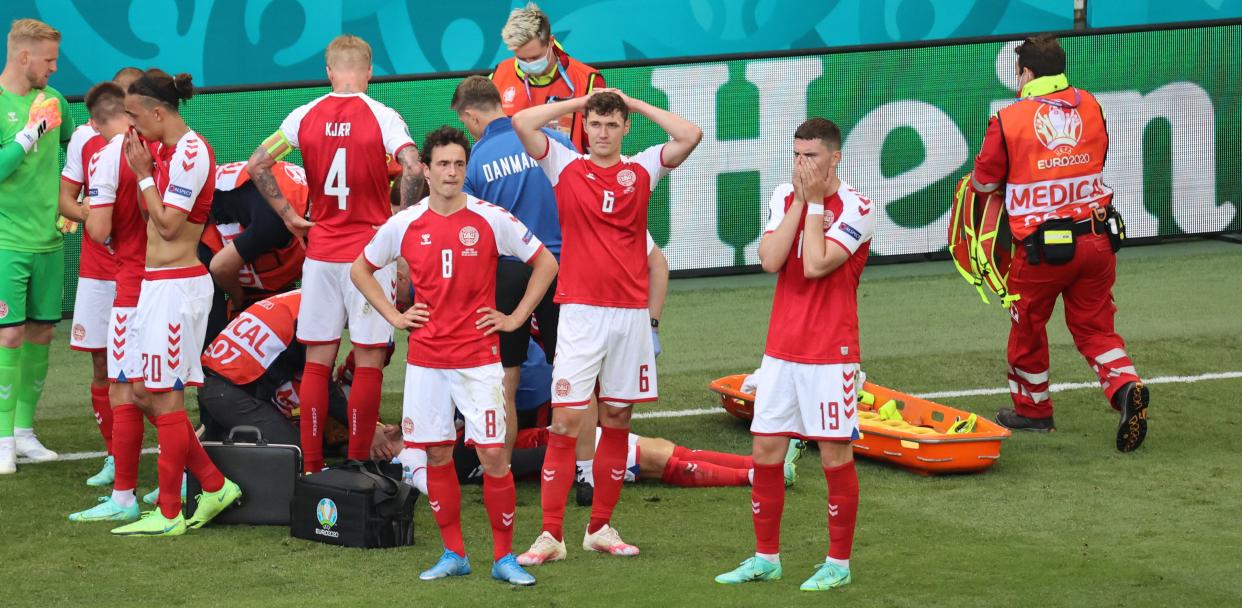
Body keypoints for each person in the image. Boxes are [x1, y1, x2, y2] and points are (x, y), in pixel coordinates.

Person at [352, 126, 557, 585]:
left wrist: (516, 317)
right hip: (426, 361)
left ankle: (503, 559)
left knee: (492, 459)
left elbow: (546, 262)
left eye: (458, 164)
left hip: (479, 360)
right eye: (442, 164)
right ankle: (454, 553)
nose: (451, 172)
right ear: (425, 170)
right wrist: (394, 314)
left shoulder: (490, 218)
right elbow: (361, 268)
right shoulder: (405, 223)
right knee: (438, 455)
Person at [511, 88, 701, 564]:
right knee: (564, 422)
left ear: (624, 128)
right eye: (595, 124)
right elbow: (523, 122)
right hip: (580, 314)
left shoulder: (643, 169)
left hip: (630, 316)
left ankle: (600, 527)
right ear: (585, 127)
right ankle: (550, 535)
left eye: (612, 124)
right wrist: (580, 103)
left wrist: (633, 103)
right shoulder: (565, 165)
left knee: (617, 418)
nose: (602, 133)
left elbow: (690, 134)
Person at [246, 34, 422, 472]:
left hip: (321, 253)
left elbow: (257, 165)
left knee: (318, 362)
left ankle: (312, 466)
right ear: (368, 71)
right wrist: (400, 218)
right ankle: (362, 464)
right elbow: (414, 166)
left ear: (328, 71)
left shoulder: (303, 115)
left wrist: (289, 214)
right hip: (369, 255)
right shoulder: (382, 115)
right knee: (368, 361)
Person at [715, 118, 872, 591]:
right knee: (765, 450)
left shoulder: (858, 207)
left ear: (835, 158)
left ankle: (838, 565)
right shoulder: (785, 196)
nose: (803, 164)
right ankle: (766, 558)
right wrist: (803, 202)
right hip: (781, 351)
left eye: (812, 157)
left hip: (832, 352)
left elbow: (816, 263)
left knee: (833, 456)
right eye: (797, 155)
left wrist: (819, 204)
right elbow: (770, 259)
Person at [971, 35, 1148, 452]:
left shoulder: (1008, 119)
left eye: (1020, 72)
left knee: (1027, 327)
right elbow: (1099, 159)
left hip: (1040, 252)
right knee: (1096, 328)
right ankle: (1125, 387)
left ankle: (1034, 411)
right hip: (1098, 239)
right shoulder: (1091, 104)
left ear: (1028, 73)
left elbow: (983, 181)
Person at [107, 69, 240, 536]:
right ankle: (213, 483)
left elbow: (166, 225)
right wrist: (145, 171)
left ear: (158, 113)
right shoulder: (161, 149)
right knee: (144, 391)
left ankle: (168, 513)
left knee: (165, 396)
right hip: (154, 283)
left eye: (135, 115)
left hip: (179, 286)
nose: (131, 125)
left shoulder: (190, 152)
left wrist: (143, 176)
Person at [453, 74, 571, 452]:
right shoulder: (552, 140)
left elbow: (469, 229)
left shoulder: (475, 163)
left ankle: (500, 469)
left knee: (507, 376)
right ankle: (578, 466)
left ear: (471, 116)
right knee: (572, 374)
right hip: (561, 264)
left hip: (508, 271)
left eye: (464, 123)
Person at [68, 80, 155, 523]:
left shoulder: (109, 155)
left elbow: (99, 231)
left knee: (130, 388)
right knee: (149, 387)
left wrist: (94, 214)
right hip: (170, 282)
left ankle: (192, 479)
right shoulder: (175, 148)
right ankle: (172, 479)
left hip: (131, 286)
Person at [0, 18, 76, 473]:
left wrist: (77, 197)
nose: (53, 68)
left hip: (50, 242)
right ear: (23, 56)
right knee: (8, 334)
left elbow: (77, 153)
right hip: (6, 242)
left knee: (43, 333)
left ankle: (25, 432)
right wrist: (30, 134)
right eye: (48, 60)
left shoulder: (57, 102)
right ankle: (2, 436)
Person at [198, 289, 349, 445]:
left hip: (220, 382)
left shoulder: (302, 298)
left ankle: (221, 434)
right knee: (292, 450)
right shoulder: (317, 314)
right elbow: (322, 386)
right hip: (230, 391)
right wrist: (366, 427)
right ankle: (229, 440)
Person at [199, 160, 308, 342]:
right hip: (203, 229)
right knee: (214, 333)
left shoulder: (304, 192)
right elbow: (220, 267)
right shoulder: (276, 221)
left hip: (244, 220)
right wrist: (237, 298)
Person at [491, 2, 604, 152]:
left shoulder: (588, 80)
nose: (529, 64)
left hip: (566, 172)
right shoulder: (498, 75)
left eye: (535, 57)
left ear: (550, 42)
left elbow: (598, 148)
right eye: (522, 59)